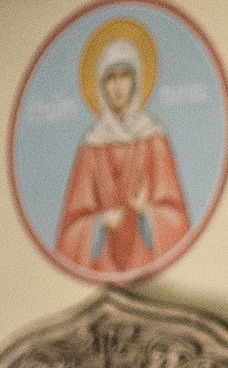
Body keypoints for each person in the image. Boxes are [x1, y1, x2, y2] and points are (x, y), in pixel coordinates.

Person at [55, 19, 192, 279]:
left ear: (137, 80)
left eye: (124, 76)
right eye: (110, 78)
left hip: (147, 255)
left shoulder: (154, 138)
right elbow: (70, 228)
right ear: (100, 85)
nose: (117, 86)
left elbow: (177, 218)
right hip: (102, 263)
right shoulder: (91, 145)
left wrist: (146, 210)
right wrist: (100, 221)